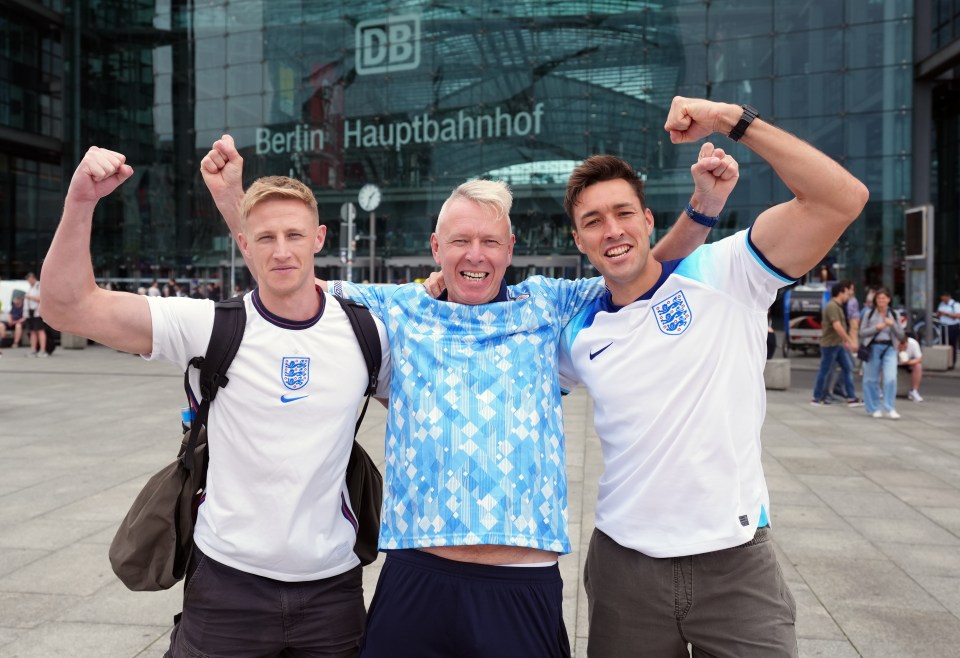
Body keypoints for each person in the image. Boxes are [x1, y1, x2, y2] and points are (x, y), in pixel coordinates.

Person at [201, 134, 738, 657]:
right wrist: (231, 199)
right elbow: (286, 279)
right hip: (418, 574)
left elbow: (635, 267)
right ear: (437, 248)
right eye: (460, 241)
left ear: (510, 249)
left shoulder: (549, 305)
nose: (474, 255)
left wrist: (704, 207)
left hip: (521, 580)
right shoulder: (399, 308)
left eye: (489, 242)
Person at [41, 147, 391, 658]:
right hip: (227, 586)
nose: (282, 251)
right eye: (266, 238)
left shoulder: (368, 334)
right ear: (245, 245)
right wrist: (80, 201)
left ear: (319, 239)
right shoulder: (210, 326)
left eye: (295, 235)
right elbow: (67, 307)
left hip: (332, 591)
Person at [557, 97, 869, 658]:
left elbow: (840, 199)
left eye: (624, 212)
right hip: (624, 568)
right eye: (592, 221)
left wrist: (731, 119)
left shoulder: (726, 272)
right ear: (578, 241)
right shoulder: (577, 331)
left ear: (648, 220)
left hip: (737, 563)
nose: (613, 230)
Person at [811, 280, 861, 406]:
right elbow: (837, 326)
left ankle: (851, 397)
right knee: (825, 370)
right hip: (830, 345)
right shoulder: (832, 306)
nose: (848, 296)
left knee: (848, 367)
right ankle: (817, 397)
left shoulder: (837, 306)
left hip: (837, 344)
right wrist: (849, 340)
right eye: (846, 293)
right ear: (841, 292)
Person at [859, 287, 905, 419]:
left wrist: (892, 325)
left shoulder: (895, 314)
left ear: (889, 300)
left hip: (889, 348)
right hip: (873, 347)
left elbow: (901, 335)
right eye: (879, 298)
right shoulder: (869, 313)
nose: (881, 301)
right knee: (870, 379)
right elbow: (862, 332)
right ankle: (873, 407)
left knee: (890, 378)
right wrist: (876, 328)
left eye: (884, 298)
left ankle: (890, 407)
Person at [23, 272, 47, 357]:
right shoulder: (30, 288)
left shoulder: (39, 286)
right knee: (32, 331)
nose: (28, 282)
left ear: (33, 278)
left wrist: (30, 297)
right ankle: (33, 350)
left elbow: (42, 299)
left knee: (40, 331)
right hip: (30, 312)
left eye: (29, 280)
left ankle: (43, 350)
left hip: (38, 312)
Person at [898, 332, 924, 402]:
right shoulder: (892, 344)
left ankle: (914, 391)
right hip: (894, 362)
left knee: (918, 366)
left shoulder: (913, 343)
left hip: (908, 361)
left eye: (904, 346)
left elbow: (919, 359)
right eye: (900, 346)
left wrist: (908, 362)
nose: (903, 348)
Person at [936, 290, 959, 369]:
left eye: (944, 298)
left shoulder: (955, 305)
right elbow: (938, 314)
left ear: (948, 297)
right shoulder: (941, 304)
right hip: (943, 326)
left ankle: (952, 363)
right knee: (943, 344)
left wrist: (946, 314)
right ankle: (944, 362)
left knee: (952, 345)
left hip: (952, 327)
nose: (943, 300)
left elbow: (958, 315)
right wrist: (939, 314)